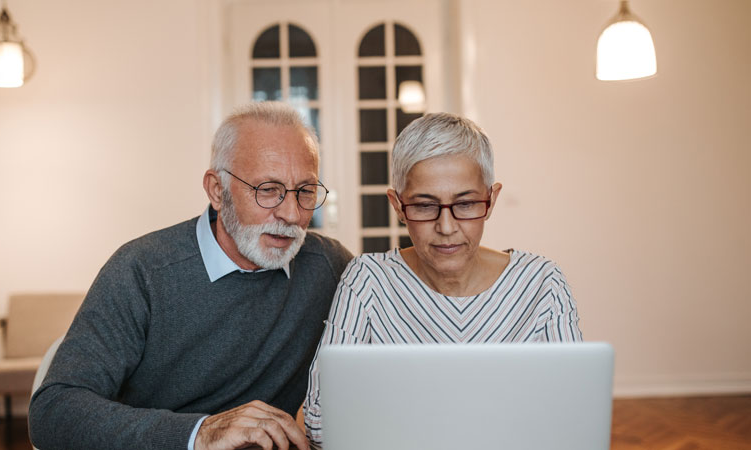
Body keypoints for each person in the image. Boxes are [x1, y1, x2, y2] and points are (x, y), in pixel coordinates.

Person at [29, 102, 353, 450]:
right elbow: (53, 412)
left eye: (305, 192)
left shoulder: (328, 264)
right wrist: (199, 433)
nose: (291, 214)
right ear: (217, 190)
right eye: (268, 190)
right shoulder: (142, 271)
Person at [302, 112, 583, 446]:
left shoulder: (541, 284)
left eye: (465, 204)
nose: (447, 227)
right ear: (398, 205)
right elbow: (319, 421)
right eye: (424, 206)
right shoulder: (367, 281)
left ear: (490, 200)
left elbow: (575, 418)